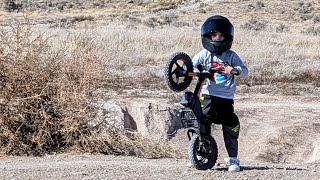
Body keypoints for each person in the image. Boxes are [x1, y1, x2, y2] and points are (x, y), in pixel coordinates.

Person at [188, 15, 249, 172]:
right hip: (208, 94)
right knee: (202, 121)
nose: (218, 38)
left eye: (221, 36)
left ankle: (233, 160)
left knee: (230, 125)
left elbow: (245, 72)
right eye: (214, 35)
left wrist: (234, 70)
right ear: (208, 36)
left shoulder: (231, 56)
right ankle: (199, 154)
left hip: (226, 97)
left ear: (227, 37)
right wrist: (194, 72)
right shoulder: (204, 54)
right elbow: (191, 66)